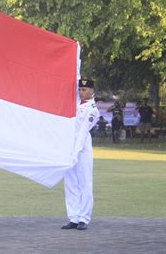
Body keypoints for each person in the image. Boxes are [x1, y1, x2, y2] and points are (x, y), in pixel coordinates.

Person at [62, 79, 99, 231]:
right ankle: (74, 217)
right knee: (70, 183)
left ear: (91, 91)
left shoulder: (93, 109)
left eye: (85, 89)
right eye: (80, 89)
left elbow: (83, 132)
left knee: (85, 183)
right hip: (69, 147)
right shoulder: (76, 103)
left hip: (82, 149)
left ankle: (84, 218)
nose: (82, 92)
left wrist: (75, 153)